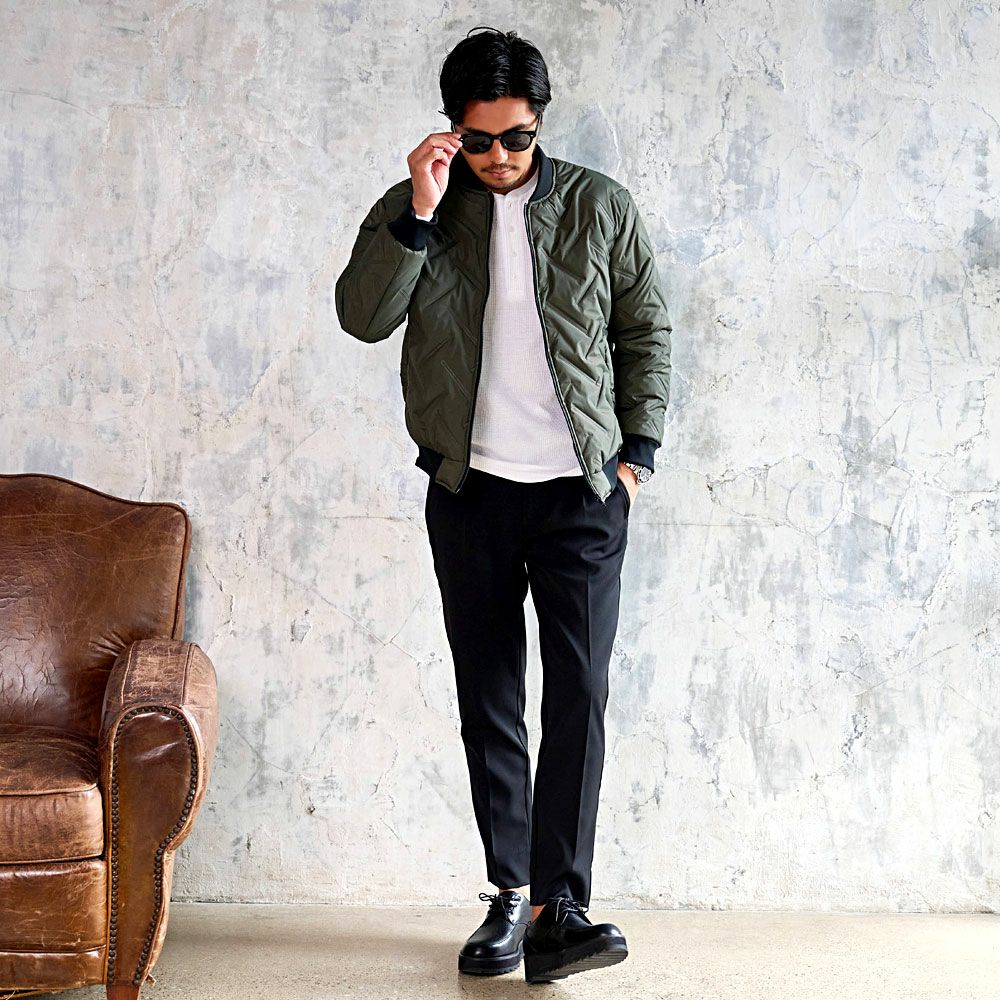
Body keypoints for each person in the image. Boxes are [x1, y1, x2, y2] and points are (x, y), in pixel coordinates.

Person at [335, 25, 672, 984]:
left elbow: (646, 327)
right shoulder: (420, 208)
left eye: (516, 137)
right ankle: (511, 897)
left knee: (579, 695)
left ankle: (565, 908)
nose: (497, 156)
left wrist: (637, 456)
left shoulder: (599, 206)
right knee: (489, 698)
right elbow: (363, 317)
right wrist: (419, 208)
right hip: (470, 491)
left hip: (582, 495)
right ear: (452, 130)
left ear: (540, 123)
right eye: (478, 139)